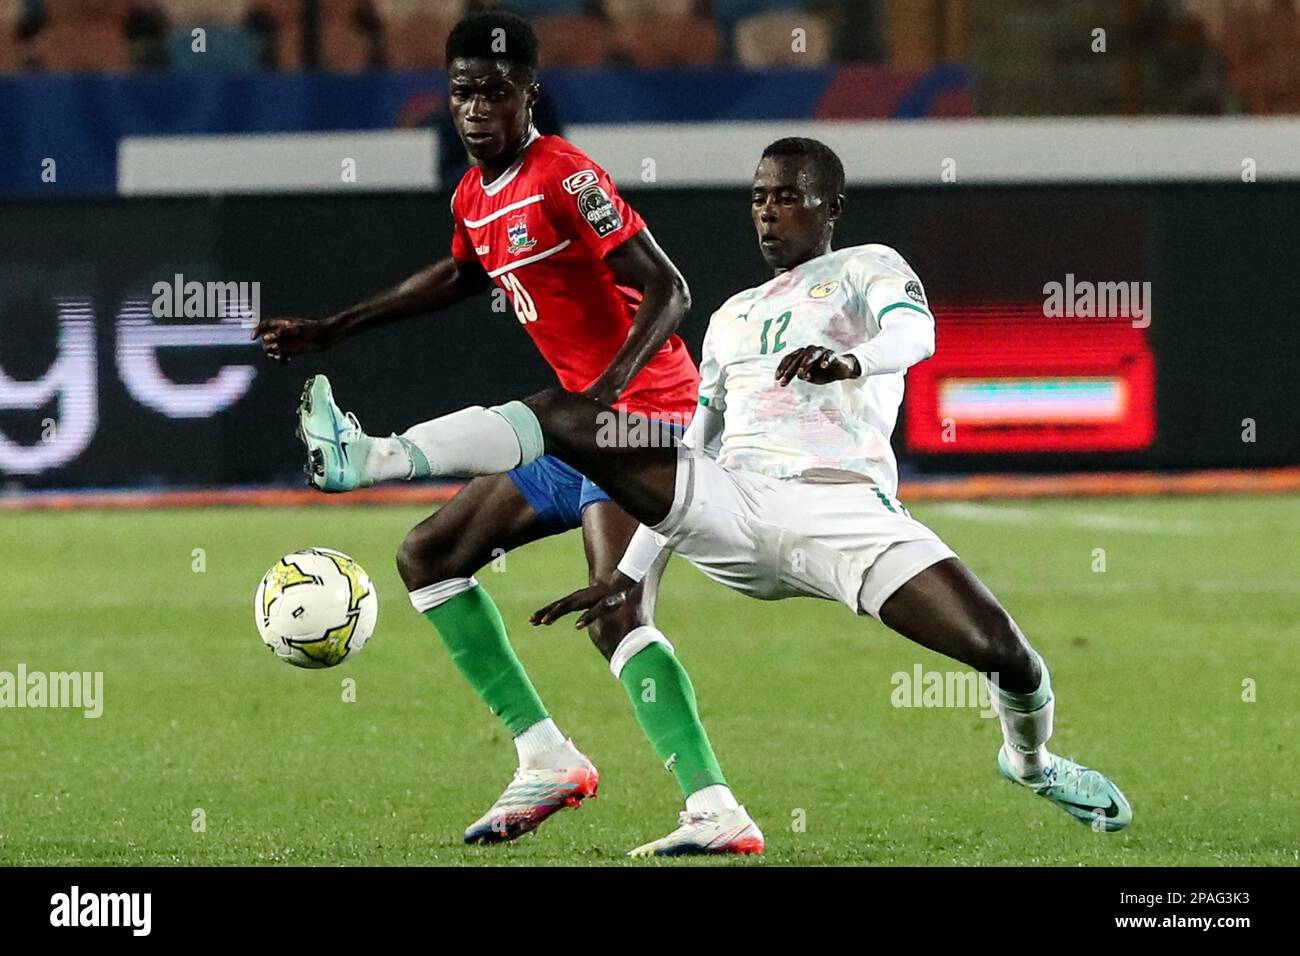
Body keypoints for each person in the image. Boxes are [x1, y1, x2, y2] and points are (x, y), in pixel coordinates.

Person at [296, 136, 1134, 843]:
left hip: (844, 515)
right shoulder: (731, 316)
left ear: (832, 206)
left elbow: (918, 334)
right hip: (735, 500)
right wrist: (634, 569)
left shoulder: (869, 269)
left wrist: (855, 357)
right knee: (565, 415)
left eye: (790, 197)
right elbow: (695, 443)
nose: (770, 211)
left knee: (1006, 656)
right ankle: (375, 459)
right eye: (760, 197)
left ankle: (1030, 761)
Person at [257, 12, 760, 857]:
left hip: (648, 421)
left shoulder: (566, 174)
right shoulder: (474, 194)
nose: (477, 108)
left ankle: (716, 808)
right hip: (576, 430)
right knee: (429, 554)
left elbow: (669, 288)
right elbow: (460, 271)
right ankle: (546, 757)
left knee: (614, 611)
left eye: (495, 91)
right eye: (463, 93)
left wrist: (599, 399)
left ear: (530, 93)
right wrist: (337, 327)